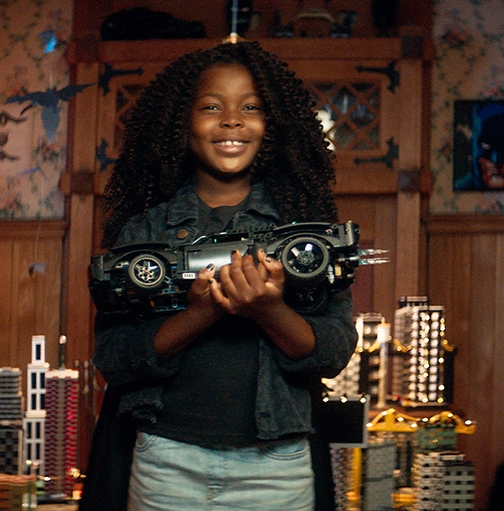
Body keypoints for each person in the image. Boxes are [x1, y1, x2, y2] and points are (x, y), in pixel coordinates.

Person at [81, 41, 357, 511]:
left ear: (273, 124)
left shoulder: (306, 234)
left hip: (277, 467)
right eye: (211, 107)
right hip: (166, 462)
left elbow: (333, 352)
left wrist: (268, 310)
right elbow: (114, 357)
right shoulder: (145, 232)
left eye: (250, 107)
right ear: (180, 122)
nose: (232, 121)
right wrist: (201, 313)